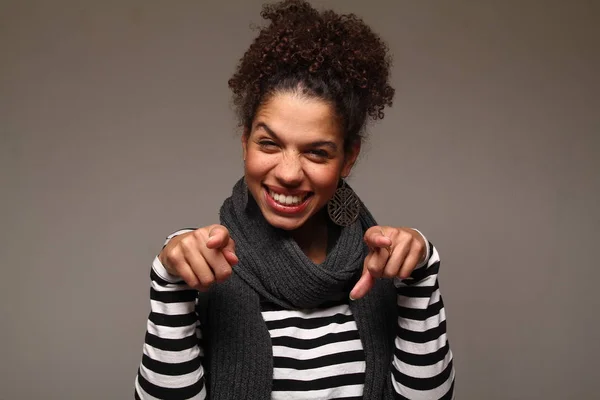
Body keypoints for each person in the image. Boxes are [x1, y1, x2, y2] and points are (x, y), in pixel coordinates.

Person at [134, 1, 455, 399]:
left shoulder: (386, 268)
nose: (288, 172)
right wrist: (169, 281)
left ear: (347, 159)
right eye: (269, 143)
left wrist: (422, 271)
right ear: (244, 142)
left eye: (316, 152)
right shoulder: (200, 266)